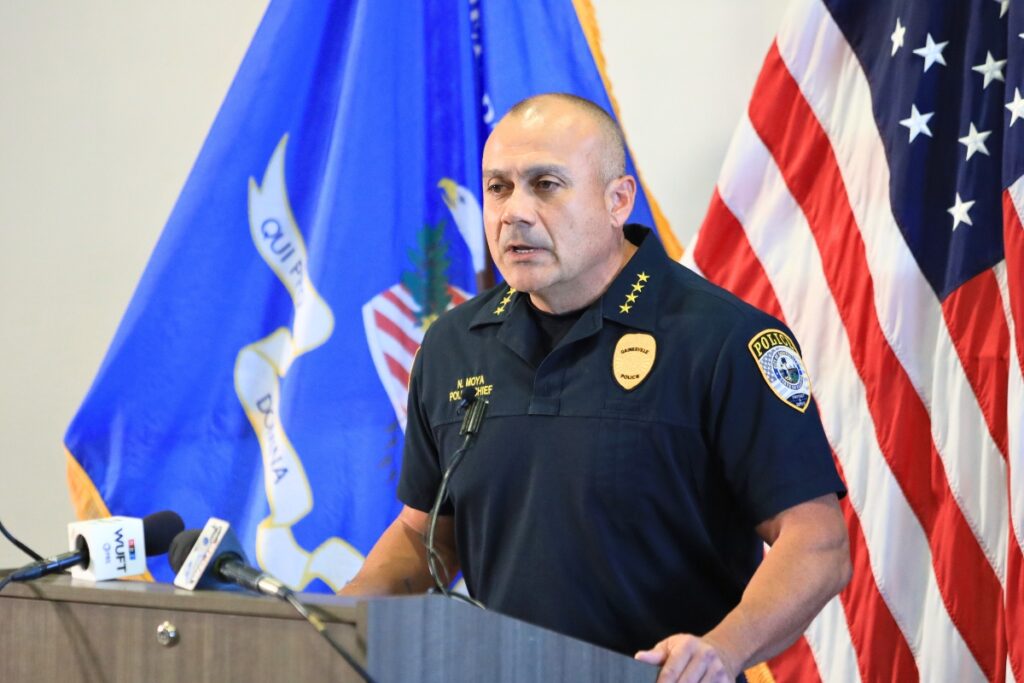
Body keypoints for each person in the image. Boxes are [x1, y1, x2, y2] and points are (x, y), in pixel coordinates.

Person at [341, 93, 851, 682]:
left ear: (618, 200)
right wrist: (326, 622)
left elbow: (816, 542)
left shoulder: (724, 341)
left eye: (547, 185)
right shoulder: (455, 345)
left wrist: (721, 650)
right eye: (498, 188)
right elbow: (425, 536)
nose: (515, 213)